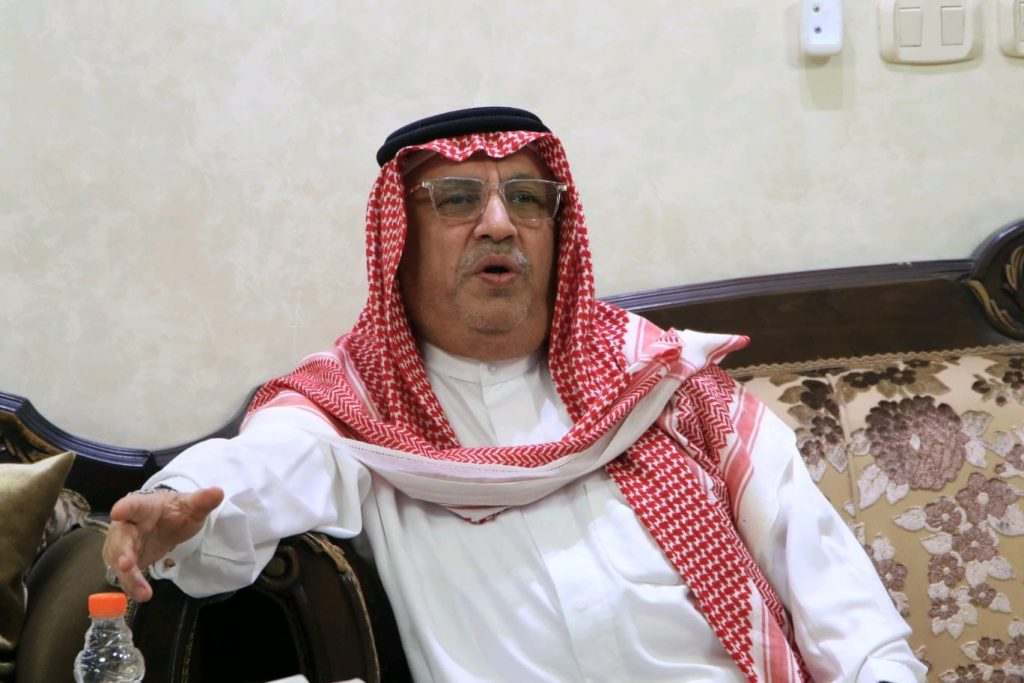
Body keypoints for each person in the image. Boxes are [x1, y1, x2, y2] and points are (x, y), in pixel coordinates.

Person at [103, 107, 926, 683]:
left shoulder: (659, 382)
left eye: (527, 198)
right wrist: (180, 502)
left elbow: (823, 572)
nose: (499, 222)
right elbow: (259, 471)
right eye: (458, 198)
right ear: (400, 237)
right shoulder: (356, 404)